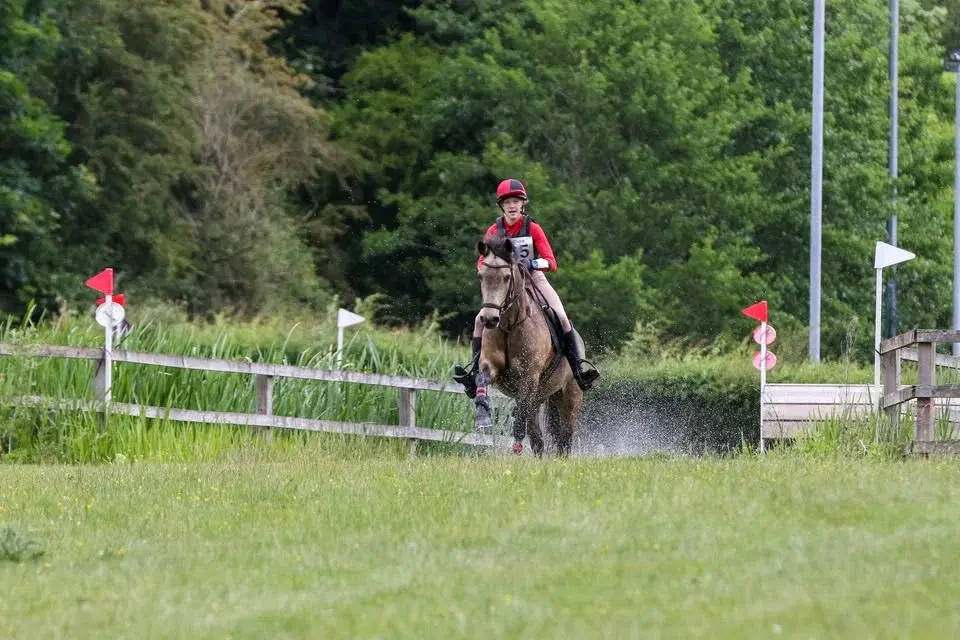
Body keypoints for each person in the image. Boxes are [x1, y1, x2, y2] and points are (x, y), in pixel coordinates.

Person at [453, 178, 600, 395]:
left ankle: (579, 369)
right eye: (507, 202)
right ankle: (474, 372)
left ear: (523, 204)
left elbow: (552, 261)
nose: (512, 205)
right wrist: (489, 268)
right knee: (478, 320)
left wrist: (531, 263)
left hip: (534, 278)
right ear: (501, 206)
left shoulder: (533, 228)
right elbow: (482, 259)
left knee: (560, 315)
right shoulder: (494, 230)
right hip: (505, 283)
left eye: (516, 201)